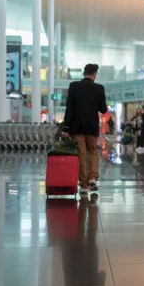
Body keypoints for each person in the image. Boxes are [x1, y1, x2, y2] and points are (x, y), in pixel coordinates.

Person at [61, 63, 108, 194]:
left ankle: (84, 185)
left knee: (81, 154)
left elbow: (69, 108)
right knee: (92, 152)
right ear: (94, 74)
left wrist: (65, 128)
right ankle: (93, 178)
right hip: (92, 127)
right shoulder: (99, 88)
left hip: (76, 127)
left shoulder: (74, 86)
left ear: (84, 73)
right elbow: (103, 109)